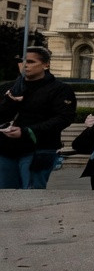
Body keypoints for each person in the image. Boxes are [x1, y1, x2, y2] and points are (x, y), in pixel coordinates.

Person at [0, 47, 77, 189]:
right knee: (6, 195)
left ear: (46, 64)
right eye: (21, 61)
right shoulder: (8, 88)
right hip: (5, 150)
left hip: (38, 150)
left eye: (30, 61)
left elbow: (64, 118)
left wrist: (27, 131)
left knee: (31, 193)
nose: (24, 65)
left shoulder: (60, 89)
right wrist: (9, 101)